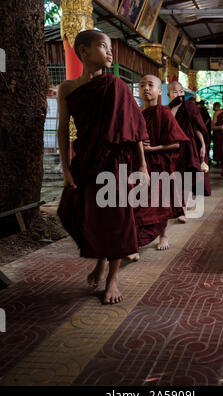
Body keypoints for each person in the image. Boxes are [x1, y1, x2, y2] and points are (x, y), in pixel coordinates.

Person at [57, 30, 150, 304]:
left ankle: (112, 278)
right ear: (83, 52)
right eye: (103, 46)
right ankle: (99, 259)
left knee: (117, 220)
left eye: (111, 48)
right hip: (86, 160)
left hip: (116, 163)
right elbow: (62, 130)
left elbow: (134, 131)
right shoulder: (68, 88)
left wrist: (143, 167)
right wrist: (66, 169)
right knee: (76, 214)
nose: (110, 52)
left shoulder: (117, 87)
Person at [129, 75, 189, 259]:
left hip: (159, 163)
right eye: (141, 85)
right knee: (138, 203)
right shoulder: (136, 112)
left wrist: (153, 148)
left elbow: (178, 143)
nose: (145, 88)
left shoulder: (164, 113)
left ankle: (163, 236)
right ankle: (133, 242)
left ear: (160, 91)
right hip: (140, 164)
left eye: (150, 85)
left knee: (159, 202)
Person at [167, 81, 211, 222]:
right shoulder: (167, 109)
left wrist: (203, 144)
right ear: (168, 95)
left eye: (180, 91)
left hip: (188, 146)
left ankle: (183, 209)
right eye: (174, 92)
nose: (178, 94)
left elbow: (197, 127)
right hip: (172, 147)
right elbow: (168, 125)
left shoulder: (189, 107)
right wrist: (174, 107)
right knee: (174, 178)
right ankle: (177, 206)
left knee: (186, 178)